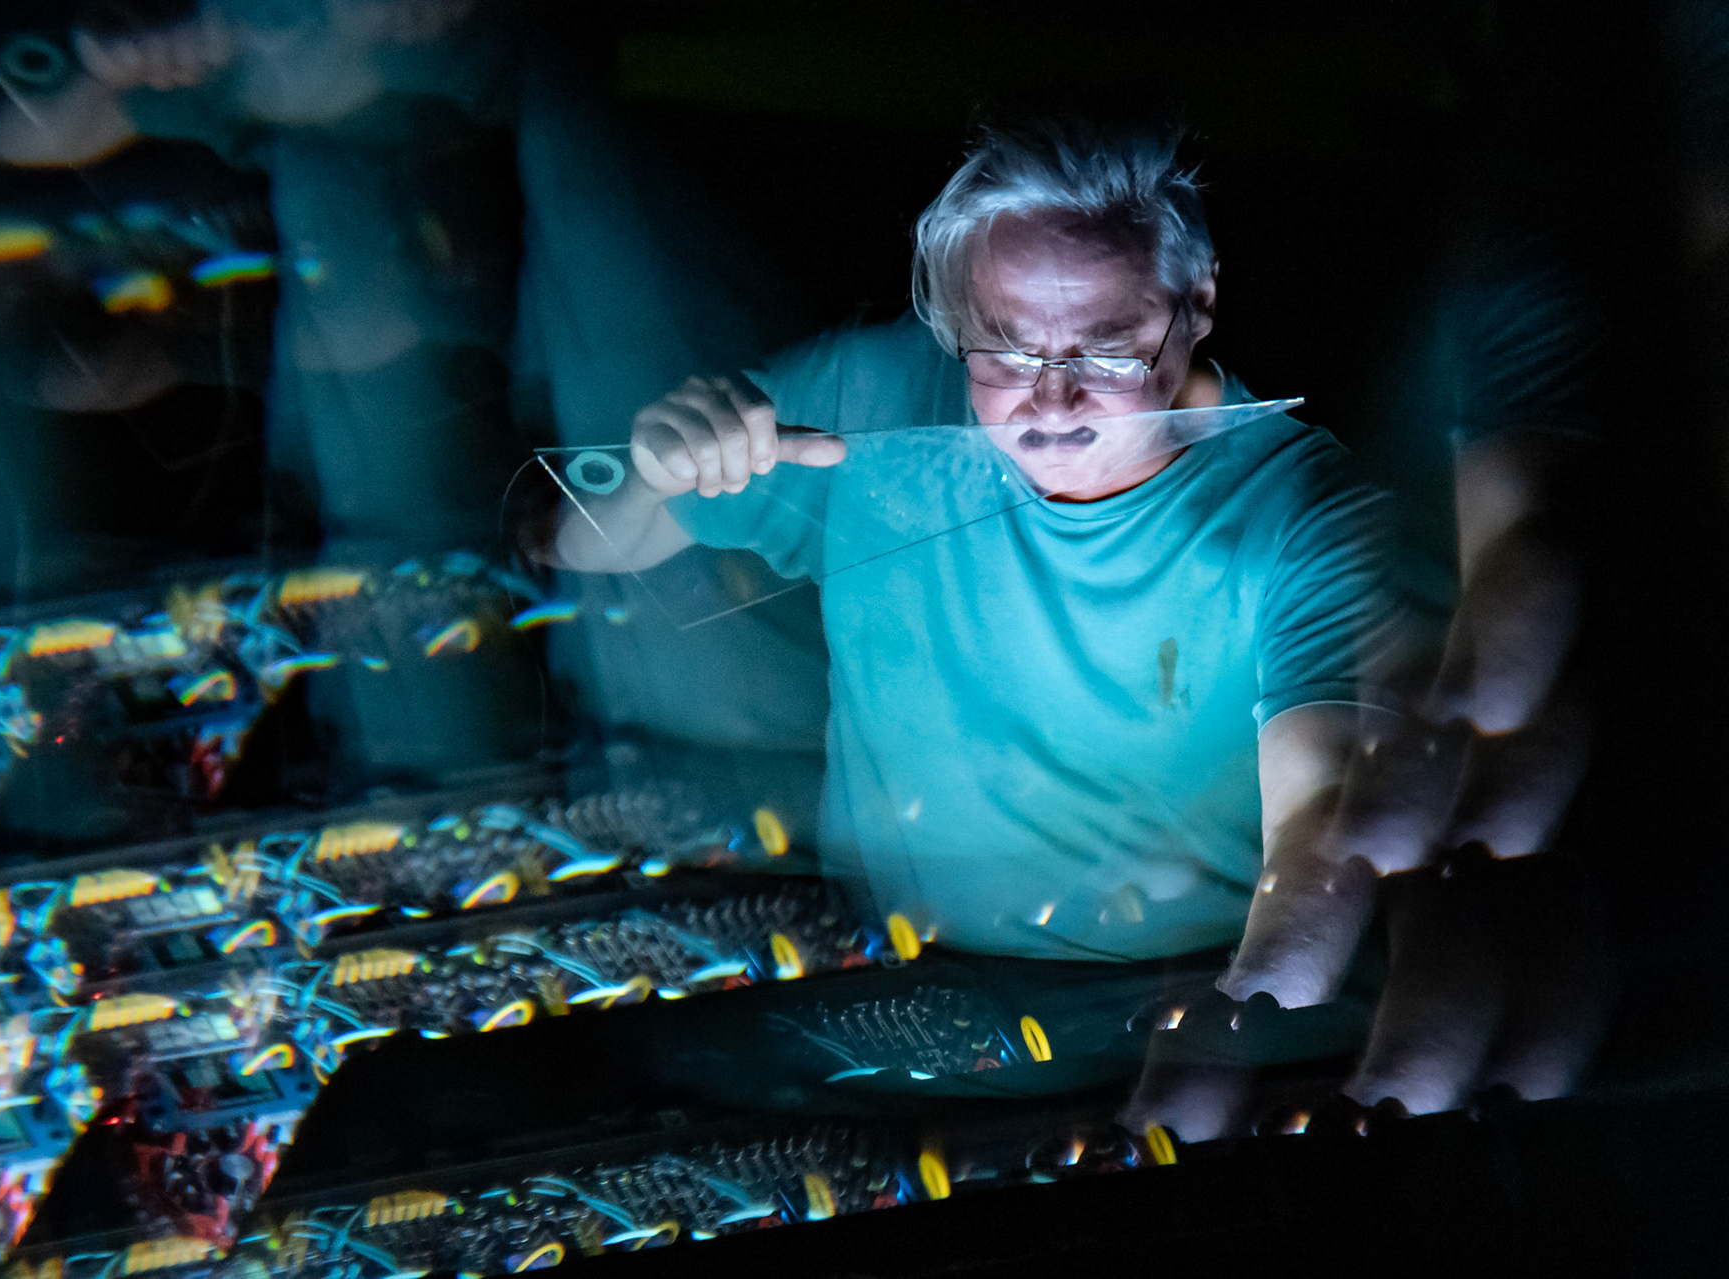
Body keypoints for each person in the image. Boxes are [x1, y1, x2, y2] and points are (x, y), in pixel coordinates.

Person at [556, 120, 1397, 997]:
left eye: (1108, 351)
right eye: (1009, 349)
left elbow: (1323, 820)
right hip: (868, 971)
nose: (1054, 400)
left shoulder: (1301, 509)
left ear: (1198, 299)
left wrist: (1236, 1029)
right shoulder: (867, 399)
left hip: (1159, 1000)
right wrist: (650, 475)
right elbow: (586, 543)